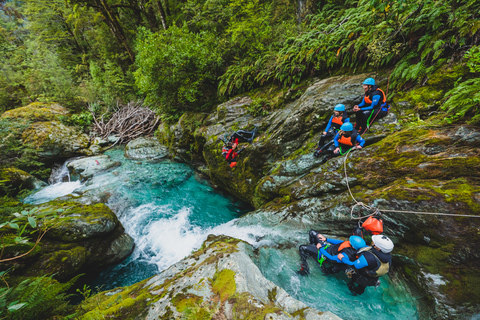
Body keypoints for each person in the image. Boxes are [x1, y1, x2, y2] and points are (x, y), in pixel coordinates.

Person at [297, 230, 366, 276]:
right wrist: (326, 239)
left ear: (353, 247)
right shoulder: (351, 245)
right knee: (312, 232)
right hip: (328, 246)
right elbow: (341, 243)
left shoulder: (346, 255)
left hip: (325, 253)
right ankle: (311, 250)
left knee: (302, 248)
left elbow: (331, 258)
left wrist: (320, 248)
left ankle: (305, 269)